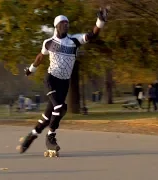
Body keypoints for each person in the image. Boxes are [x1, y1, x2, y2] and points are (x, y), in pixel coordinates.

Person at [17, 8, 109, 154]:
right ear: (56, 26)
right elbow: (40, 58)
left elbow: (92, 35)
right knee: (60, 107)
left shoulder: (74, 41)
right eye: (63, 23)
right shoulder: (49, 43)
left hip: (64, 83)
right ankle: (50, 138)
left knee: (49, 116)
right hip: (51, 79)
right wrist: (30, 70)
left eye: (67, 23)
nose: (66, 25)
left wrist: (100, 21)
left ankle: (29, 139)